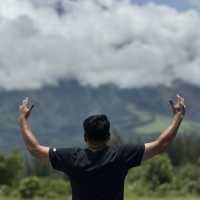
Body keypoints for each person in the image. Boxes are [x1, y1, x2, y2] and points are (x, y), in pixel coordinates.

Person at [18, 95, 185, 200]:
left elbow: (34, 149)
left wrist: (23, 121)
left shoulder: (71, 158)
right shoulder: (122, 155)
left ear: (85, 137)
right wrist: (178, 116)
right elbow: (161, 144)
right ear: (108, 137)